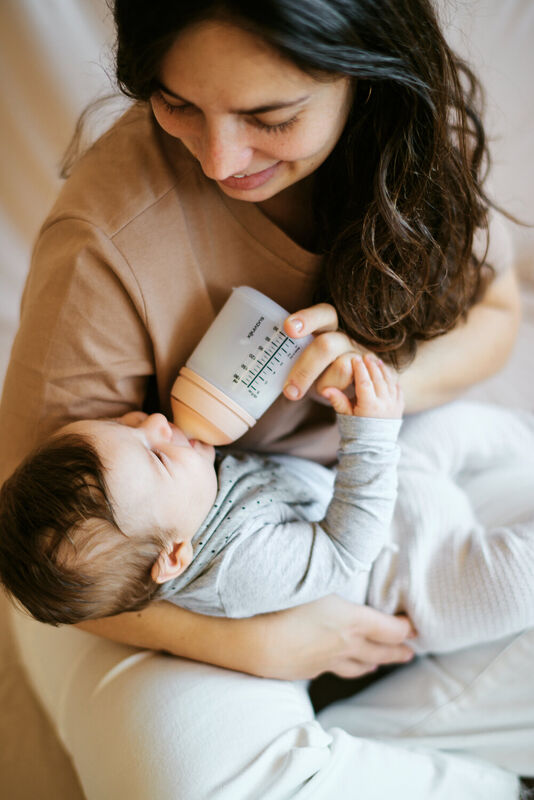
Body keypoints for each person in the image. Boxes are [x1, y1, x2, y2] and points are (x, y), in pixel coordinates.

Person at [0, 0, 529, 797]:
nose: (219, 159)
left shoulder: (405, 146)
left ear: (364, 74)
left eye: (269, 116)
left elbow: (498, 313)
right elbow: (60, 562)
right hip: (130, 596)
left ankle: (360, 745)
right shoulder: (106, 243)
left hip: (361, 475)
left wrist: (372, 390)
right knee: (184, 780)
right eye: (176, 104)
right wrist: (260, 647)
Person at [3, 354, 534, 663]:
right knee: (515, 580)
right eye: (158, 456)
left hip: (395, 495)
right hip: (416, 578)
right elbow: (345, 552)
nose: (157, 424)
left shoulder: (185, 500)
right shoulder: (238, 570)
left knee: (455, 423)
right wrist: (370, 438)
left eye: (127, 422)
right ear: (176, 555)